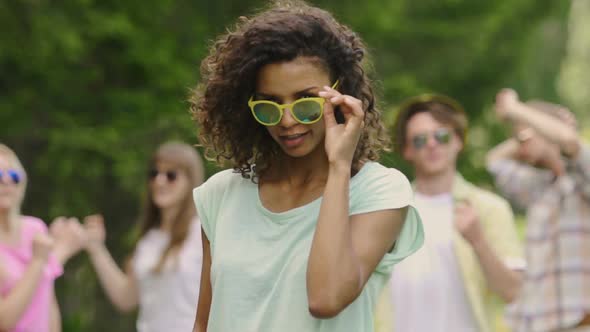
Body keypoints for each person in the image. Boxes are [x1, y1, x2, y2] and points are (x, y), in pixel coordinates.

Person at [189, 1, 424, 332]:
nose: (287, 121)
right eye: (269, 106)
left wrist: (339, 167)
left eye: (306, 103)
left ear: (342, 95)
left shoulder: (378, 191)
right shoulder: (221, 195)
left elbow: (325, 298)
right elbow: (203, 323)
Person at [374, 94, 524, 332]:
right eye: (420, 140)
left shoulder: (489, 208)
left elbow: (513, 292)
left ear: (458, 141)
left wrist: (478, 241)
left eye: (442, 136)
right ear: (407, 151)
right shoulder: (389, 211)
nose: (432, 144)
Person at [487, 89, 590, 332]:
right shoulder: (538, 187)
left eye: (524, 137)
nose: (520, 147)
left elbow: (569, 142)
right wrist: (530, 130)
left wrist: (515, 108)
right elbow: (494, 161)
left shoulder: (582, 181)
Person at [76, 142, 205, 332]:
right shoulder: (149, 240)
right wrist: (96, 248)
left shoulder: (202, 233)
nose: (159, 181)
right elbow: (126, 298)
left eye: (171, 175)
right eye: (154, 173)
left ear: (190, 181)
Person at [0, 143, 83, 332]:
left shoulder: (34, 229)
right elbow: (4, 321)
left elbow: (47, 300)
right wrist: (39, 260)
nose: (6, 181)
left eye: (13, 175)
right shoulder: (38, 246)